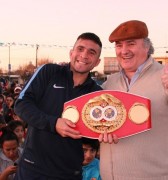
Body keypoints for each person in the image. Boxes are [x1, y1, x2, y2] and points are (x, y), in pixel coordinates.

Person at [99, 20, 168, 179]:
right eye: (119, 45)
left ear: (146, 46)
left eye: (131, 44)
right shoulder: (109, 84)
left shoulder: (167, 77)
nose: (124, 51)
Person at [13, 32, 103, 180]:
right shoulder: (49, 72)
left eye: (91, 52)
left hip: (68, 173)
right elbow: (21, 104)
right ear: (71, 53)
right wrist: (54, 123)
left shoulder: (97, 93)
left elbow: (97, 130)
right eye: (80, 49)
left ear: (97, 61)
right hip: (32, 168)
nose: (84, 55)